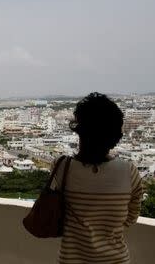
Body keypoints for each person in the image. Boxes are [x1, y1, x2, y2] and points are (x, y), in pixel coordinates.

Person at [52, 92, 143, 264]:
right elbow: (131, 216)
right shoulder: (128, 171)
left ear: (79, 130)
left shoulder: (61, 166)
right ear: (115, 137)